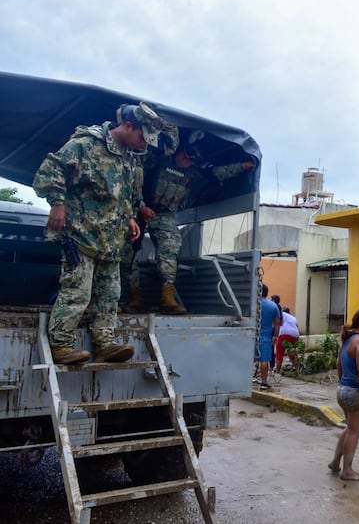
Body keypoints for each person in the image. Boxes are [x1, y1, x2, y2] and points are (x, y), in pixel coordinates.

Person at [32, 102, 170, 364]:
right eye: (142, 137)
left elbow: (124, 193)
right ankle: (62, 346)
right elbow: (51, 170)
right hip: (81, 235)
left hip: (110, 240)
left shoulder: (130, 157)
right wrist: (58, 204)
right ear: (128, 126)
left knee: (109, 295)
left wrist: (129, 217)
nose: (144, 145)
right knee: (77, 292)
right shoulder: (88, 143)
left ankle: (105, 343)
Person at [121, 131, 256, 314]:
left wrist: (243, 166)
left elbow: (218, 173)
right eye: (185, 154)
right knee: (129, 253)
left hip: (164, 215)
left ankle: (167, 298)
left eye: (191, 158)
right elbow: (135, 181)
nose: (185, 159)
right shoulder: (158, 161)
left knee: (170, 249)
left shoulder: (194, 173)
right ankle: (135, 298)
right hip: (139, 209)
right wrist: (141, 206)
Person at [328, 308, 359, 481]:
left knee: (350, 429)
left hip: (343, 391)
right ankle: (347, 470)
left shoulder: (347, 339)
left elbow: (338, 364)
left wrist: (344, 383)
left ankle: (335, 462)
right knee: (354, 432)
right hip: (357, 394)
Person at [257, 284, 282, 390]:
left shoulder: (253, 304)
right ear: (266, 293)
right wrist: (275, 336)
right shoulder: (273, 306)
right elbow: (277, 323)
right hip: (265, 337)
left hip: (251, 334)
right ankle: (263, 382)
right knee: (264, 360)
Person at [276, 307, 300, 374]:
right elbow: (297, 327)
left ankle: (277, 371)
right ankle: (296, 368)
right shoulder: (293, 318)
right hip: (295, 335)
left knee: (279, 352)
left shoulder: (281, 314)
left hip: (284, 333)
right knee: (292, 351)